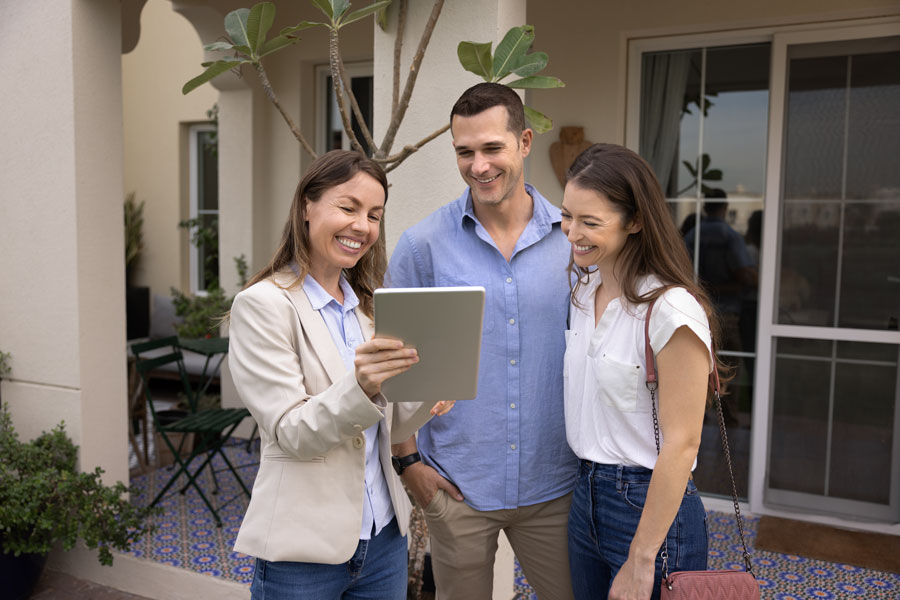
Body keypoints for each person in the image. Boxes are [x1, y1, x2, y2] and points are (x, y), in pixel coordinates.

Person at [228, 150, 452, 600]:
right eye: (348, 208)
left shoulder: (371, 309)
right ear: (307, 207)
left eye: (374, 215)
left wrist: (428, 397)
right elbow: (293, 432)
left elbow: (381, 425)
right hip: (303, 552)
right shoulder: (262, 306)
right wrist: (363, 385)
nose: (363, 227)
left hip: (384, 539)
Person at [389, 82, 578, 600]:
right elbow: (396, 365)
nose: (479, 165)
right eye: (465, 152)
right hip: (457, 487)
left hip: (556, 485)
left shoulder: (573, 241)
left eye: (492, 148)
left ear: (524, 142)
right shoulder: (422, 245)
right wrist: (409, 465)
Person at [562, 144, 724, 600]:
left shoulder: (670, 309)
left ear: (635, 222)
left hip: (646, 506)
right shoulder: (582, 291)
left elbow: (683, 443)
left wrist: (641, 557)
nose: (573, 232)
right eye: (567, 216)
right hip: (585, 496)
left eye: (591, 222)